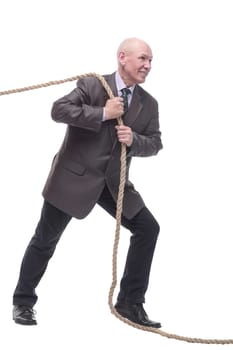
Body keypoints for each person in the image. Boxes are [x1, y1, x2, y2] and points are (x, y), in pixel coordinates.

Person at [12, 37, 163, 327]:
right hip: (74, 180)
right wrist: (103, 113)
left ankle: (130, 302)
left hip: (113, 184)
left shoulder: (149, 104)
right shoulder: (92, 85)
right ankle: (23, 301)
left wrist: (134, 141)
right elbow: (58, 110)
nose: (148, 65)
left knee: (148, 228)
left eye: (150, 61)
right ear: (122, 58)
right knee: (45, 239)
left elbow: (155, 143)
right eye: (143, 58)